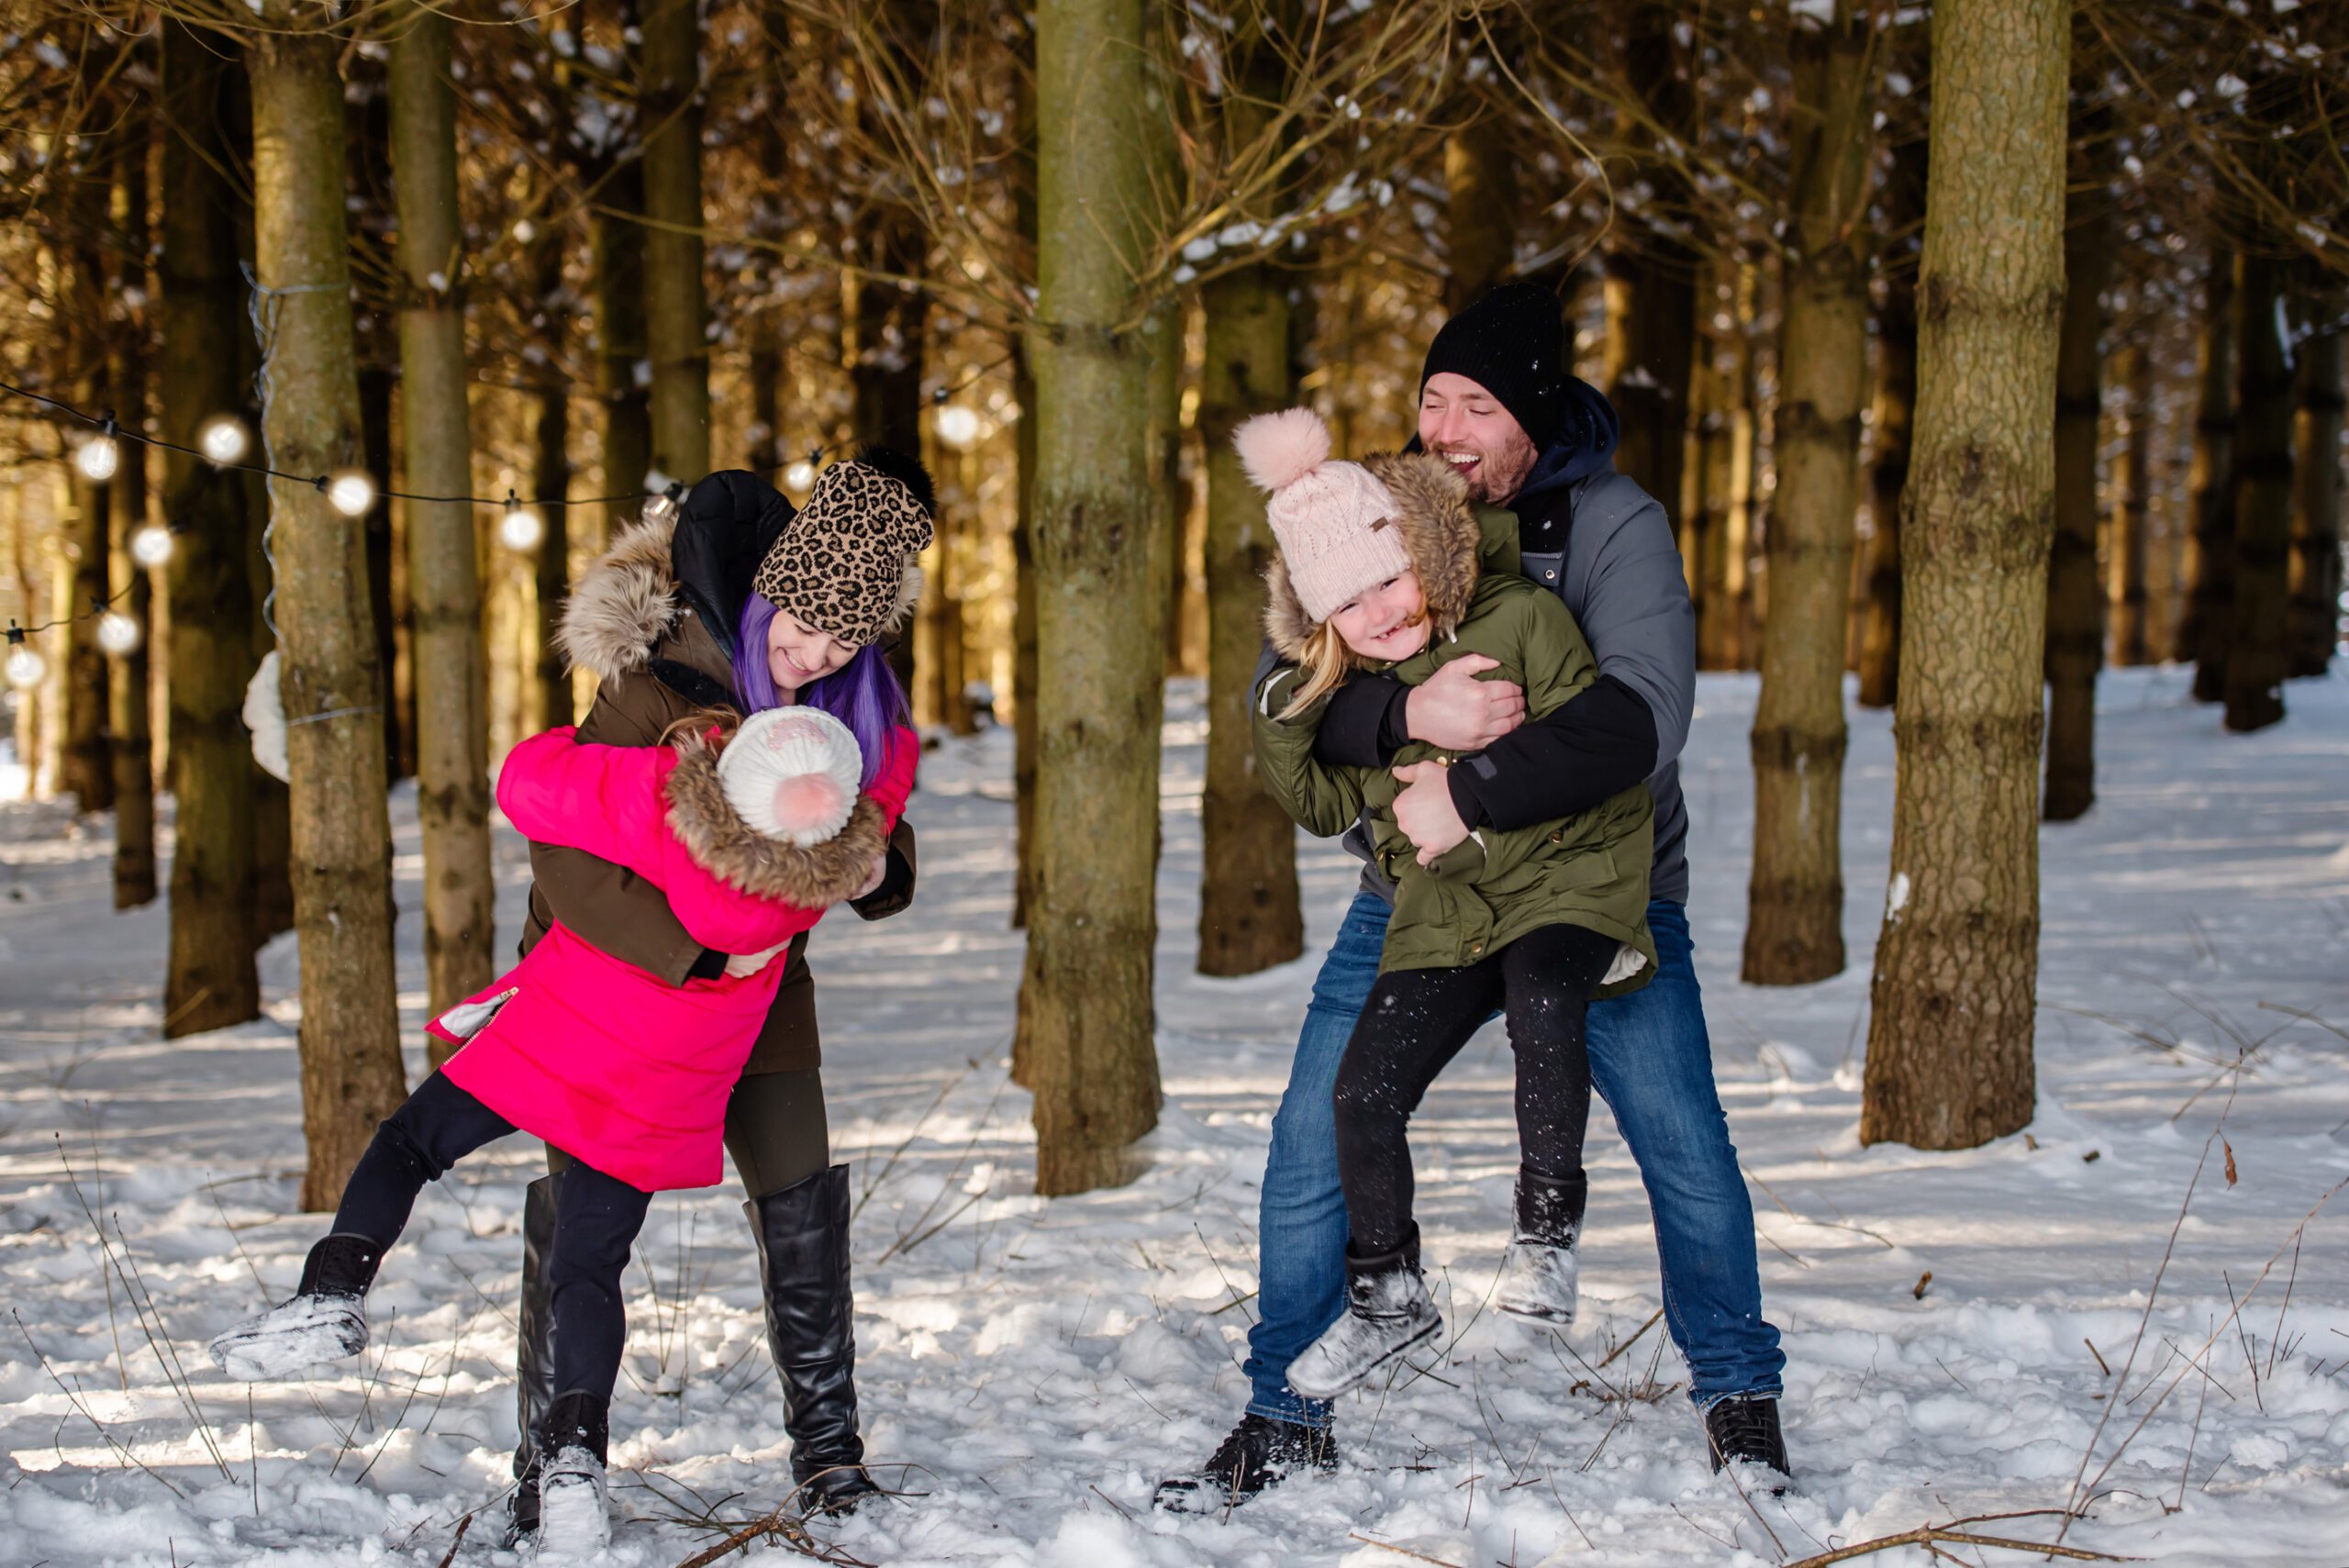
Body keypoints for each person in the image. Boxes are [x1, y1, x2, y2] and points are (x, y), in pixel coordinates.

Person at [1156, 284, 1788, 1513]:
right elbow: (1284, 691)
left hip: (1597, 892)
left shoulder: (1614, 524)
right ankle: (1285, 1413)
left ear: (1535, 418)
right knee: (1311, 1140)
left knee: (1684, 1147)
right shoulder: (1382, 508)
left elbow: (1644, 719)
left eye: (1478, 404)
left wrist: (1475, 787)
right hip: (1423, 898)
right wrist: (1404, 714)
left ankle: (1739, 1395)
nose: (1445, 426)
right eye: (1433, 396)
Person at [208, 700, 920, 1554]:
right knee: (587, 1265)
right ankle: (572, 1459)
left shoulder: (672, 822)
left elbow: (540, 786)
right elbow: (890, 763)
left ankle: (333, 1288)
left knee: (410, 1141)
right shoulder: (800, 888)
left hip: (568, 1024)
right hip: (661, 1085)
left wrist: (668, 764)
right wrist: (870, 783)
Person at [510, 452, 932, 1535]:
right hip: (614, 985)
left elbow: (854, 830)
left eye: (844, 640)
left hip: (757, 989)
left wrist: (881, 865)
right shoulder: (651, 682)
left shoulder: (838, 702)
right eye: (801, 622)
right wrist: (685, 957)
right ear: (767, 587)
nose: (814, 651)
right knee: (589, 1219)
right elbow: (564, 851)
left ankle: (831, 1458)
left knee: (799, 1190)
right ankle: (554, 1462)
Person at [1233, 406, 1655, 1400]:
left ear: (1422, 550)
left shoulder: (1522, 622)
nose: (1379, 612)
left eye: (1386, 578)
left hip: (1565, 884)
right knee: (1360, 1090)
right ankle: (1387, 1290)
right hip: (1445, 912)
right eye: (1346, 605)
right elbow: (1316, 801)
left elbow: (1590, 766)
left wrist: (1467, 814)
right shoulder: (1356, 682)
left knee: (1546, 1002)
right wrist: (1294, 700)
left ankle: (1545, 1235)